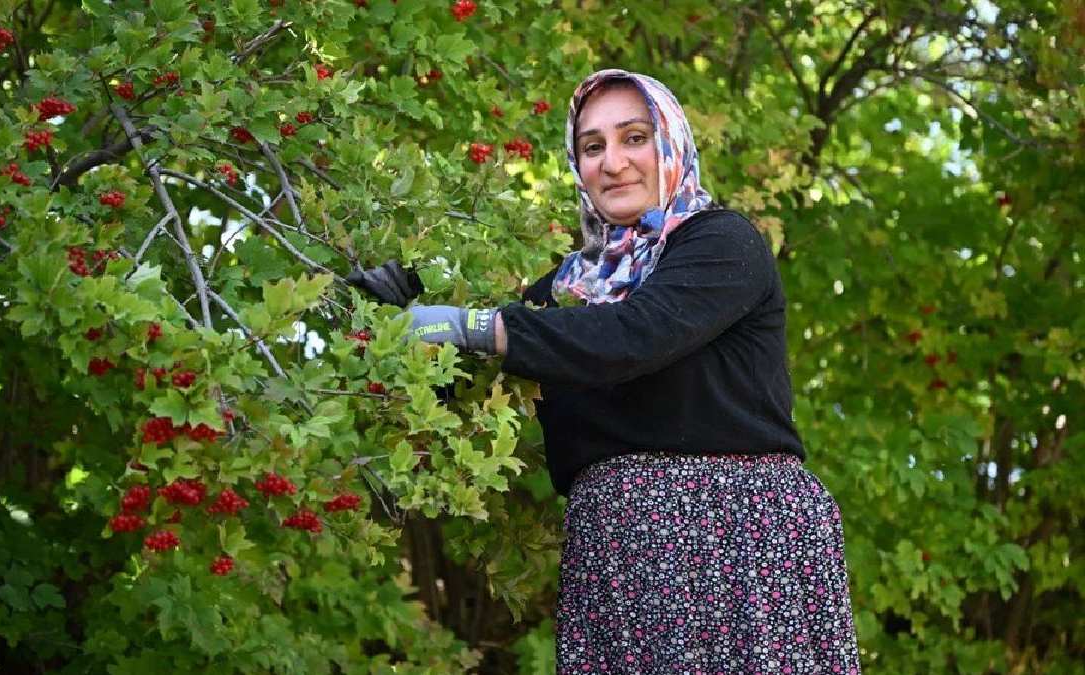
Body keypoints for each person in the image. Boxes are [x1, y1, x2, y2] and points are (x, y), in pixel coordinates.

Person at [348, 68, 861, 674]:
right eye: (593, 146)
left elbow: (631, 336)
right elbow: (469, 377)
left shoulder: (722, 243)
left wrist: (475, 325)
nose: (612, 162)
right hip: (617, 549)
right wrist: (395, 314)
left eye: (634, 138)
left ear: (671, 141)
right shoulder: (572, 287)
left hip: (737, 539)